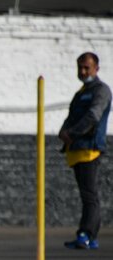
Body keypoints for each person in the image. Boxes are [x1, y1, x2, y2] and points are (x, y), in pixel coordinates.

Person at [59, 52, 111, 250]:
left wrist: (71, 133)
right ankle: (87, 234)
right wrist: (63, 132)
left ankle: (87, 234)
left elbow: (93, 116)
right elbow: (71, 115)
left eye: (86, 68)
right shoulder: (81, 92)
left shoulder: (101, 90)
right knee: (85, 194)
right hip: (76, 150)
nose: (82, 71)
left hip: (89, 149)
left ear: (96, 68)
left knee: (90, 195)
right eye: (80, 67)